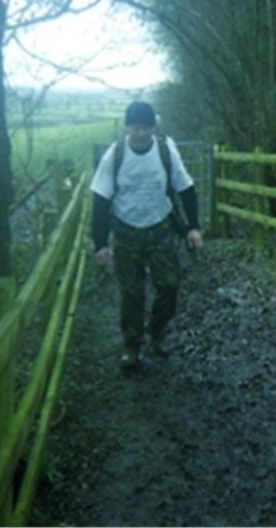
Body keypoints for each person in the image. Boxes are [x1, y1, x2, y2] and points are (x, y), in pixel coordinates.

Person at [90, 101, 203, 369]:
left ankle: (157, 329)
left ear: (154, 127)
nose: (140, 134)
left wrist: (193, 227)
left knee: (169, 284)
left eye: (146, 128)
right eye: (135, 128)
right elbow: (100, 201)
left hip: (160, 228)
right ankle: (132, 344)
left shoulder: (166, 151)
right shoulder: (115, 156)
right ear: (127, 128)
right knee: (132, 293)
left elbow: (186, 188)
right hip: (126, 231)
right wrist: (100, 244)